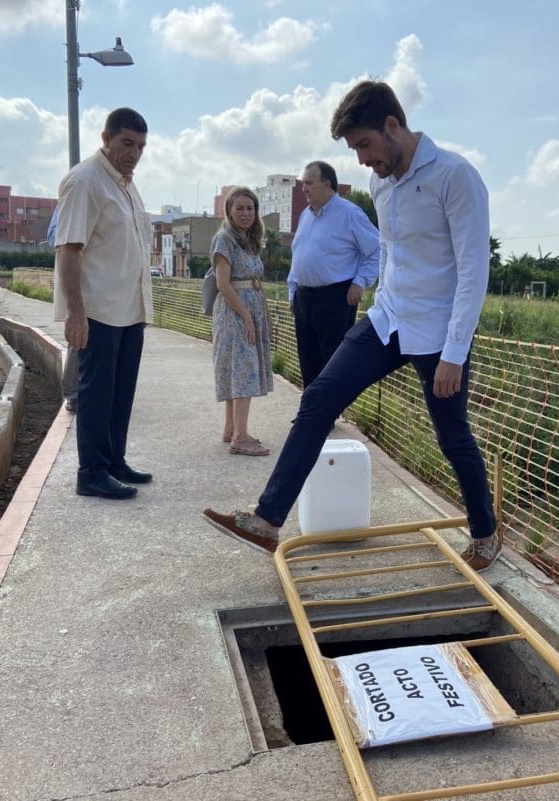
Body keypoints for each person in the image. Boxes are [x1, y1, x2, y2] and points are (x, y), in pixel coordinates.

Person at [204, 80, 501, 570]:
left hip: (439, 330)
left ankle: (486, 533)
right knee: (318, 398)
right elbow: (388, 252)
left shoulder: (455, 177)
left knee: (452, 436)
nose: (362, 160)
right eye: (355, 150)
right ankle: (266, 521)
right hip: (388, 320)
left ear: (392, 125)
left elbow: (473, 271)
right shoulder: (381, 184)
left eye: (365, 144)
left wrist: (455, 352)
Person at [54, 106, 154, 499]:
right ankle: (91, 472)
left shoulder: (126, 185)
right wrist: (76, 313)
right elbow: (68, 249)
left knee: (121, 392)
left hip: (129, 309)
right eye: (127, 143)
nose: (134, 153)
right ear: (106, 139)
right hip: (98, 310)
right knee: (96, 394)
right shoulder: (86, 181)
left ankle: (114, 461)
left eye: (141, 146)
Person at [288, 160, 379, 390]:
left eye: (309, 183)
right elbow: (298, 254)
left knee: (331, 364)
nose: (304, 189)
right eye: (303, 184)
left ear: (327, 184)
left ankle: (328, 410)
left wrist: (360, 282)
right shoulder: (306, 215)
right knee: (307, 361)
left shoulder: (349, 214)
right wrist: (292, 291)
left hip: (335, 298)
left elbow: (377, 250)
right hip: (304, 299)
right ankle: (311, 408)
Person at [210, 187, 274, 456]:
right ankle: (241, 438)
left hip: (250, 308)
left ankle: (231, 429)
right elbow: (223, 284)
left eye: (250, 208)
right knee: (243, 371)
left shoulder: (248, 239)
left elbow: (254, 282)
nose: (246, 213)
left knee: (237, 369)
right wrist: (246, 316)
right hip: (234, 312)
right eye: (240, 208)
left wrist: (262, 317)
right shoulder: (224, 239)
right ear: (229, 211)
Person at [48, 205, 79, 413]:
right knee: (78, 339)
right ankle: (73, 393)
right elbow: (54, 238)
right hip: (81, 280)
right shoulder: (69, 201)